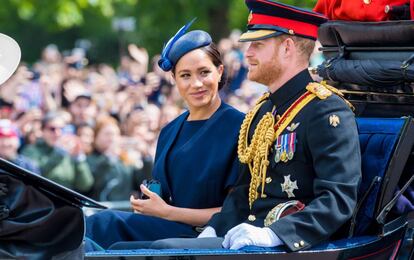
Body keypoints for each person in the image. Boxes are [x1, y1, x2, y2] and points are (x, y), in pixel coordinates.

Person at [154, 0, 362, 252]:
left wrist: (274, 234)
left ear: (287, 48)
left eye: (258, 45)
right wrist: (215, 228)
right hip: (247, 237)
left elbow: (337, 200)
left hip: (292, 245)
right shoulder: (264, 110)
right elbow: (244, 191)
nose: (248, 53)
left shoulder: (326, 110)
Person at [85, 20, 244, 249]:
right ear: (175, 80)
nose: (196, 83)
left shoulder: (239, 126)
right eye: (185, 75)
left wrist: (168, 212)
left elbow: (235, 211)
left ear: (219, 72)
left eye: (204, 72)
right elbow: (163, 196)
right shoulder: (170, 130)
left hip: (207, 235)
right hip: (169, 227)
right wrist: (148, 205)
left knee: (105, 227)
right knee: (91, 225)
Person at [20, 112, 94, 193]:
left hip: (64, 202)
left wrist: (79, 160)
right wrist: (59, 154)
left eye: (61, 129)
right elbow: (34, 175)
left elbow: (85, 185)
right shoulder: (31, 150)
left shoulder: (69, 153)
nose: (57, 133)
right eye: (52, 129)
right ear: (42, 130)